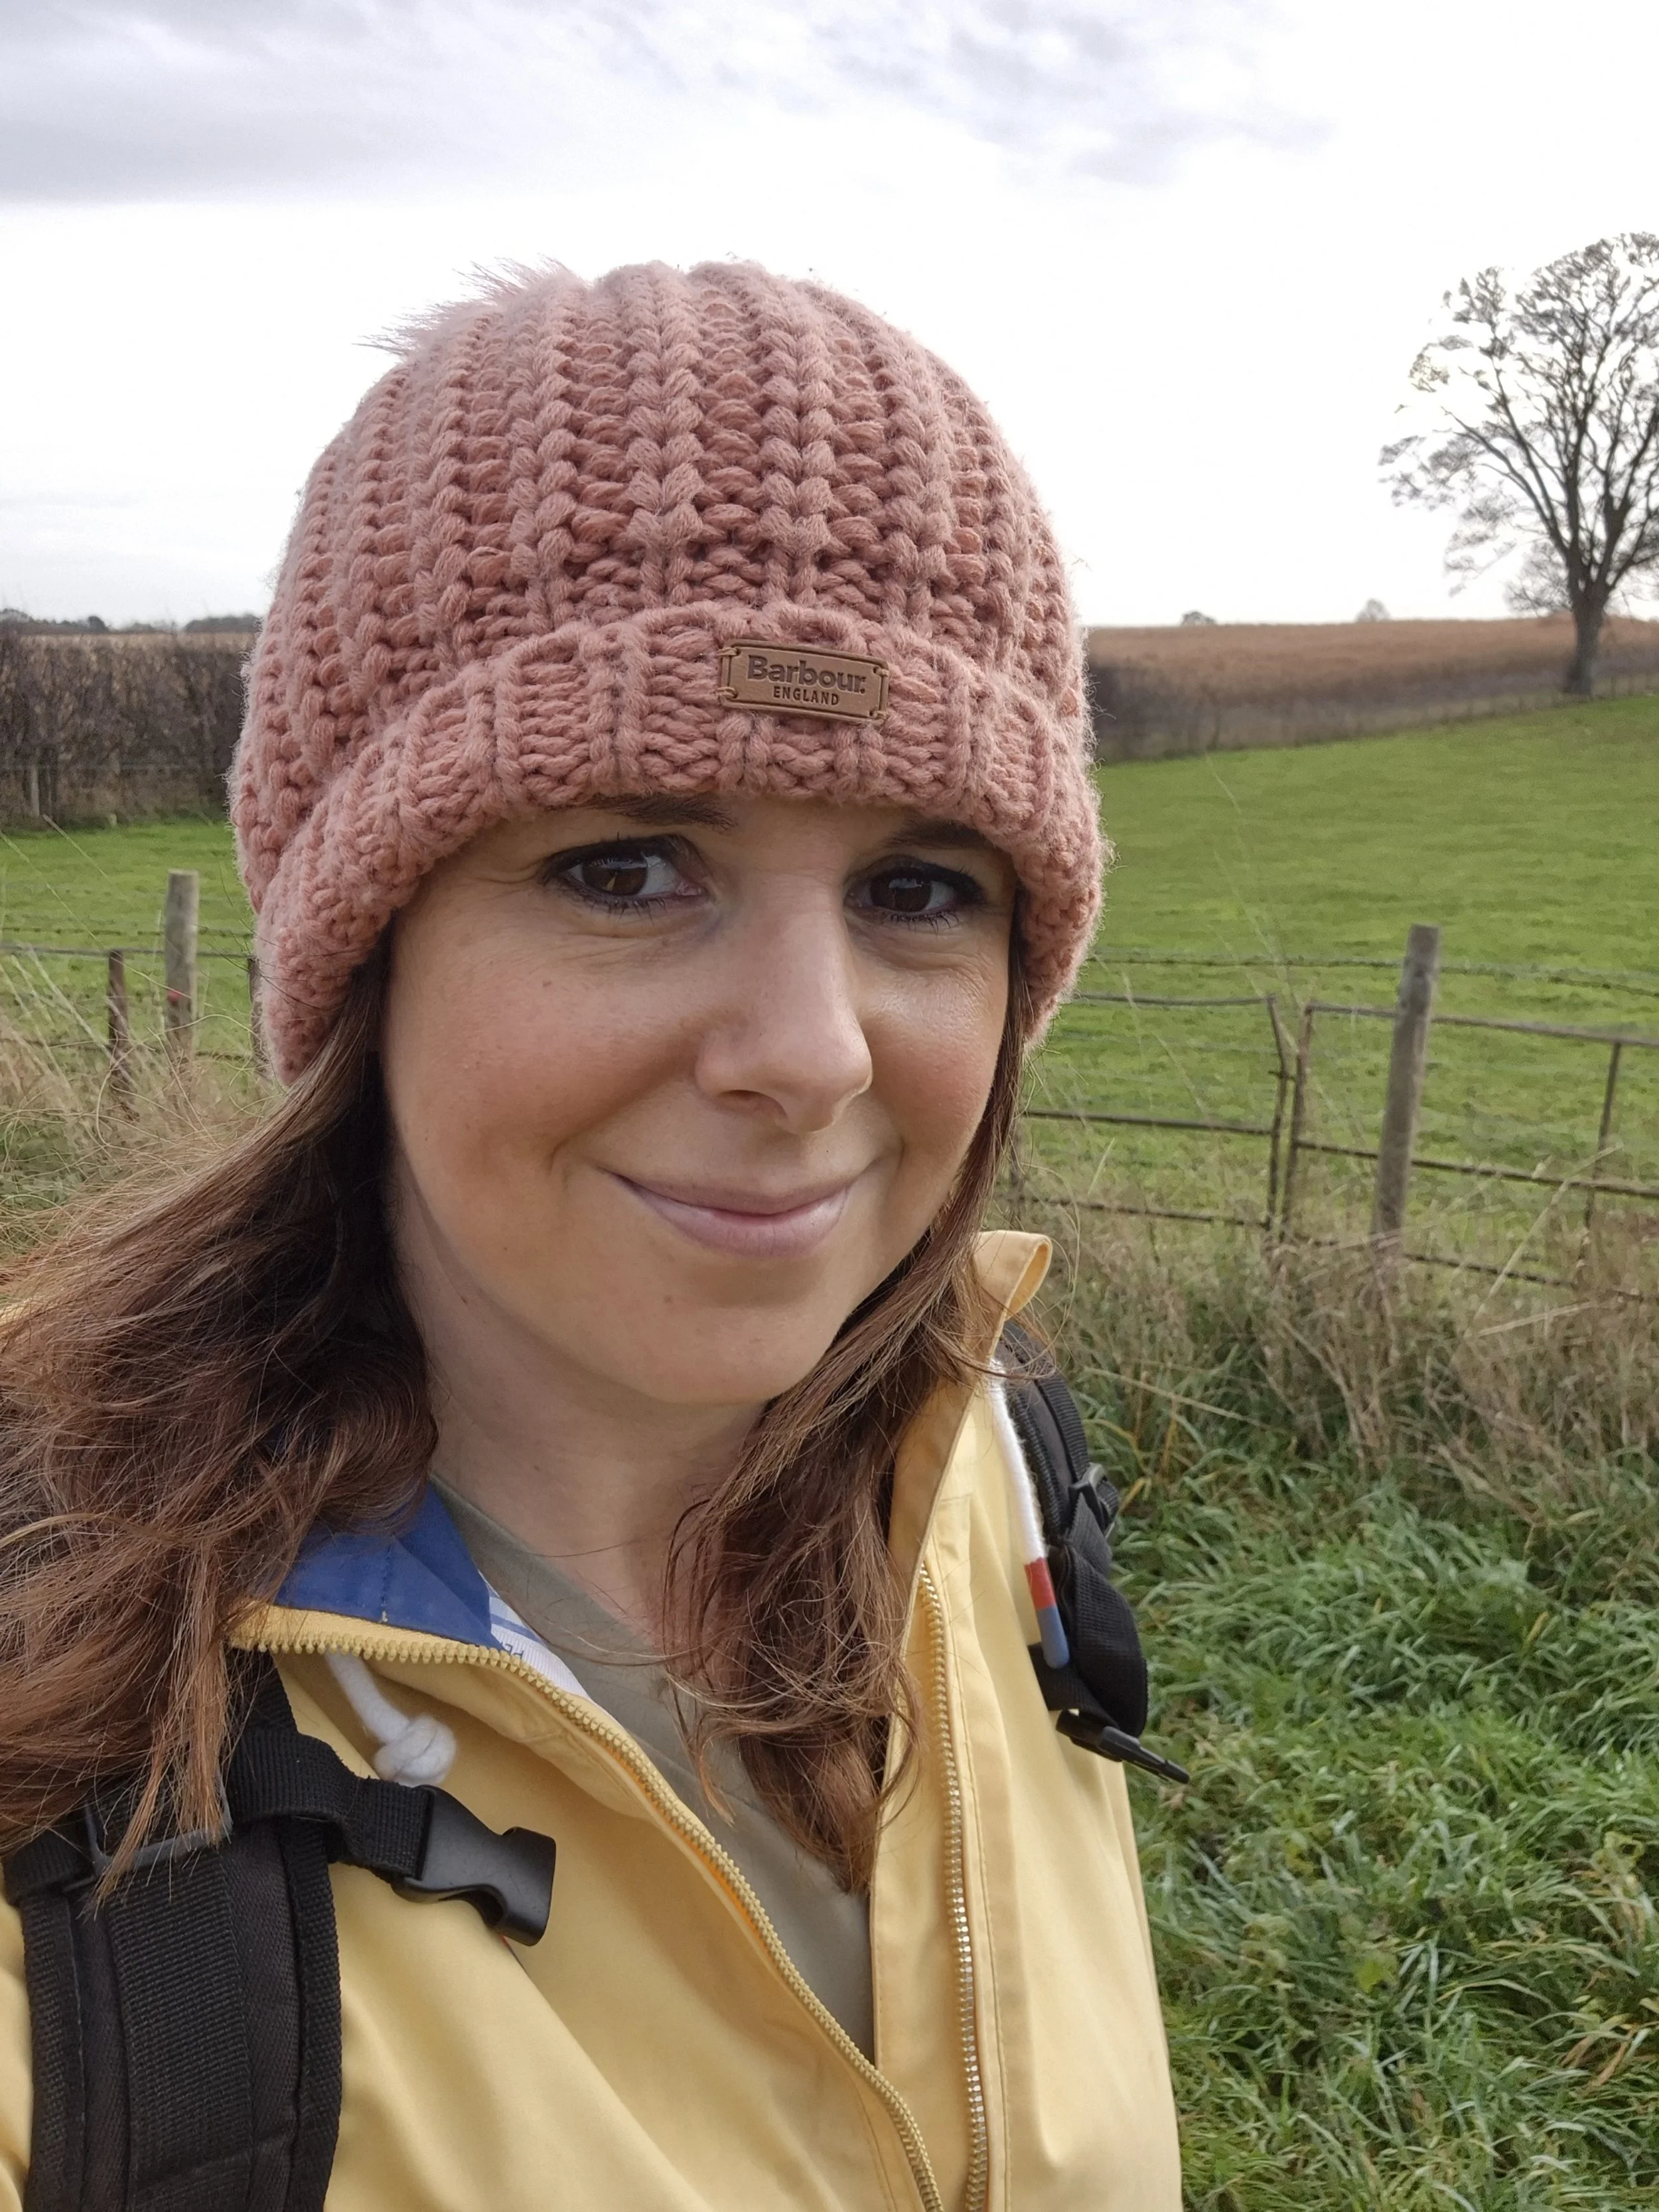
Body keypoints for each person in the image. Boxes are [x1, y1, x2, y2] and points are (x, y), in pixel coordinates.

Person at [0, 260, 1182, 2209]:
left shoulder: (982, 1467)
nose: (808, 1055)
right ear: (367, 946)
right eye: (624, 869)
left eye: (915, 884)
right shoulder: (77, 1803)